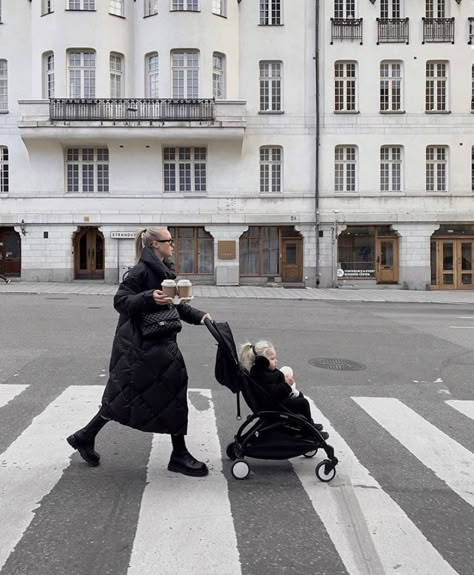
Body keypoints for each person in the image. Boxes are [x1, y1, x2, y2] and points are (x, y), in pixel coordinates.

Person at [67, 227, 212, 477]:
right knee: (168, 389)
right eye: (169, 241)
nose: (173, 245)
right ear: (155, 244)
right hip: (143, 345)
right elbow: (120, 301)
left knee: (126, 395)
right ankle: (179, 455)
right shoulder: (141, 270)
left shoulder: (162, 269)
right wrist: (147, 297)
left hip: (155, 341)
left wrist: (201, 316)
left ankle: (85, 436)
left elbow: (174, 304)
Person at [239, 340, 328, 438]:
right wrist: (286, 385)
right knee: (303, 403)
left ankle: (308, 424)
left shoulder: (262, 371)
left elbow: (273, 388)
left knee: (300, 397)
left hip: (276, 402)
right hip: (273, 407)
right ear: (262, 361)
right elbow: (273, 395)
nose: (276, 361)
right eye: (272, 359)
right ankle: (309, 431)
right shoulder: (262, 376)